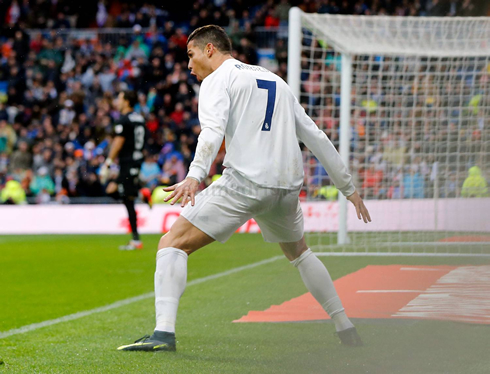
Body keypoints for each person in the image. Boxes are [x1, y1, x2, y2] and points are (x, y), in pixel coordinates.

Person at [118, 25, 371, 352]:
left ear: (210, 49)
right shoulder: (275, 81)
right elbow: (316, 137)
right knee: (300, 253)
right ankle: (345, 327)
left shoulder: (217, 80)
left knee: (172, 243)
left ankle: (163, 333)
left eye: (191, 55)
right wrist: (348, 188)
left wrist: (195, 175)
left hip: (247, 182)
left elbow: (211, 132)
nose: (190, 66)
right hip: (286, 187)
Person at [99, 90, 151, 250]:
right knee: (112, 190)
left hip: (128, 162)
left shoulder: (124, 119)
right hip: (135, 161)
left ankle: (136, 240)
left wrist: (107, 163)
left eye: (119, 98)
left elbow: (118, 142)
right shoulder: (139, 118)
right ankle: (139, 191)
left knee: (127, 199)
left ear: (127, 101)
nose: (117, 101)